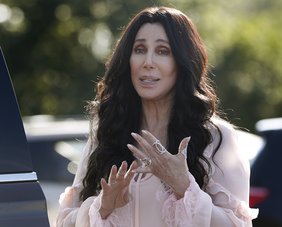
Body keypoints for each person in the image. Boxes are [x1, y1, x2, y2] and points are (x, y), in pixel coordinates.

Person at [56, 6, 258, 227]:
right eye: (139, 49)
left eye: (163, 51)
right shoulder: (106, 132)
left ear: (182, 62)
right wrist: (102, 207)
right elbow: (65, 221)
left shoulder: (217, 138)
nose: (148, 62)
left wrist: (185, 188)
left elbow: (238, 225)